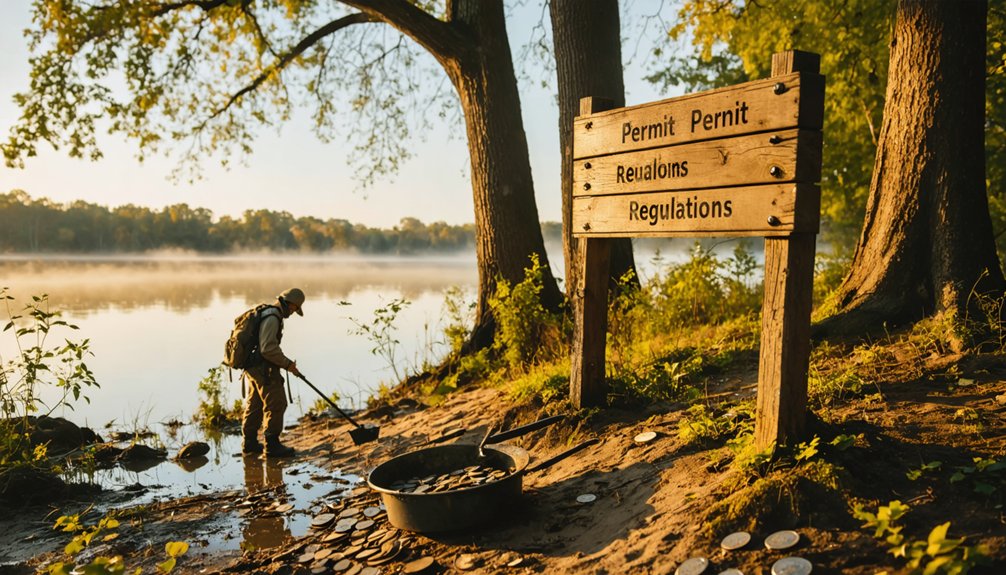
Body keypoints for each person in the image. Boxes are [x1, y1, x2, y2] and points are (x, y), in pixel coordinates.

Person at [241, 288, 305, 457]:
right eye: (293, 309)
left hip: (252, 367)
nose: (292, 313)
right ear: (289, 303)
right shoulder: (273, 318)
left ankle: (250, 444)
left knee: (254, 404)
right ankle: (272, 446)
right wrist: (287, 364)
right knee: (276, 403)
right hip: (264, 369)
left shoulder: (267, 312)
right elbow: (267, 349)